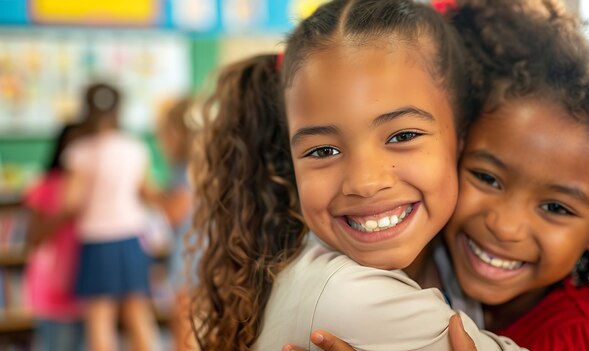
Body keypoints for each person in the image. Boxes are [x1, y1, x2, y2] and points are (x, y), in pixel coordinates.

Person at [285, 0, 589, 350]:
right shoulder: (423, 269)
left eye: (556, 207)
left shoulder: (585, 339)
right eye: (487, 178)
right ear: (456, 150)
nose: (504, 227)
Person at [190, 0, 527, 350]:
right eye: (323, 151)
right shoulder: (350, 297)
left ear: (462, 137)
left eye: (402, 136)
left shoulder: (451, 257)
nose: (365, 182)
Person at [62, 83, 158, 351]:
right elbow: (146, 190)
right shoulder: (135, 147)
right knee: (138, 314)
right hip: (131, 237)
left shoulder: (79, 151)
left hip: (97, 240)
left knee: (100, 319)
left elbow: (72, 201)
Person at [23, 123, 88, 351]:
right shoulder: (47, 186)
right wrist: (66, 213)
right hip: (54, 288)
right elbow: (32, 236)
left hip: (89, 287)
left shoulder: (94, 186)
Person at [154, 97, 198, 351]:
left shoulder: (184, 167)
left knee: (183, 326)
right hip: (199, 253)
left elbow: (175, 212)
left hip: (191, 256)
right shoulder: (203, 164)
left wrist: (148, 193)